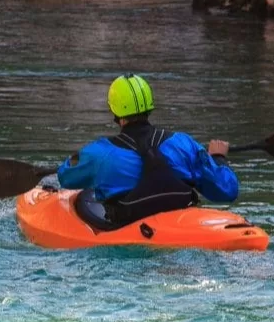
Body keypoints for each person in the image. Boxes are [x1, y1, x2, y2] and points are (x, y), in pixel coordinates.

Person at [56, 74, 239, 230]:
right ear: (150, 105)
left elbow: (66, 178)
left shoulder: (99, 154)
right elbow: (227, 191)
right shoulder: (182, 143)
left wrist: (73, 161)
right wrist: (218, 158)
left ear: (114, 110)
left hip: (130, 233)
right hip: (181, 225)